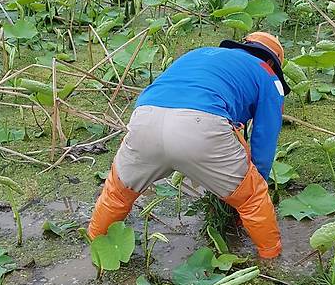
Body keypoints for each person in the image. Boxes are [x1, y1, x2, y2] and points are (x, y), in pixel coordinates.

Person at [88, 32, 288, 258]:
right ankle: (271, 260)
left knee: (117, 193)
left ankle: (96, 252)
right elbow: (265, 135)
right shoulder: (267, 73)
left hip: (145, 117)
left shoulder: (199, 53)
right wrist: (254, 179)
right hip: (200, 124)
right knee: (252, 198)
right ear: (271, 60)